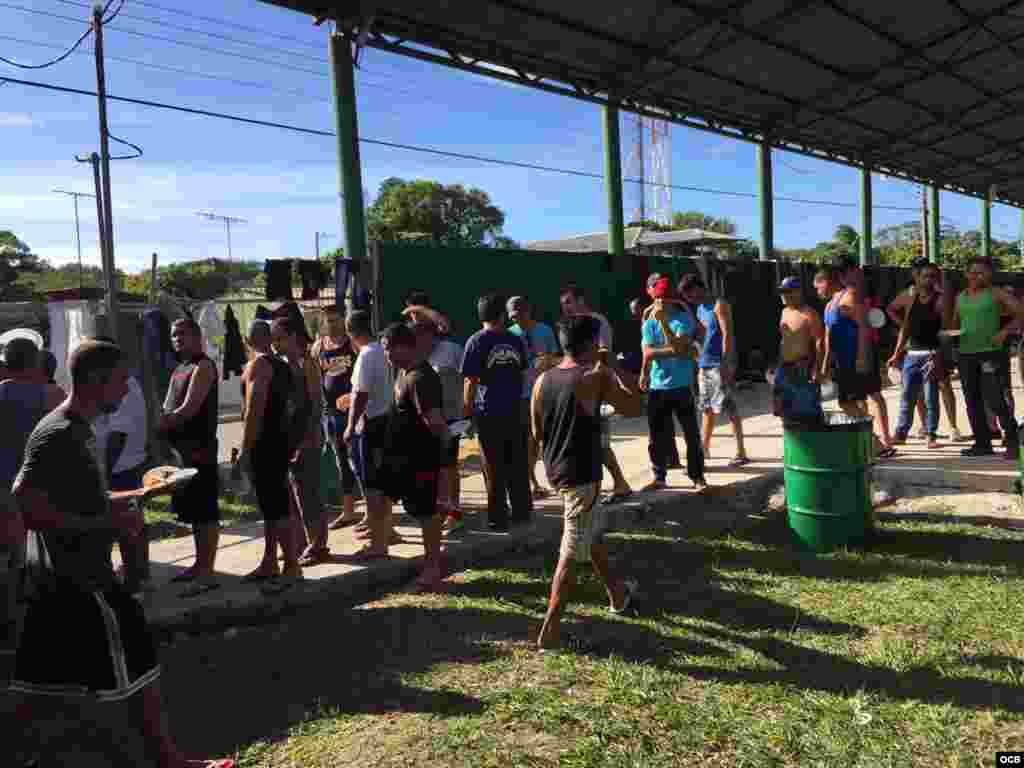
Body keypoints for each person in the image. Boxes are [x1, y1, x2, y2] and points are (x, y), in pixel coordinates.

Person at [8, 339, 232, 768]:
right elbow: (26, 502)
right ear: (94, 381)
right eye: (120, 381)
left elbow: (86, 498)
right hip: (78, 578)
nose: (127, 390)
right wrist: (104, 526)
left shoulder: (80, 430)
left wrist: (145, 492)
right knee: (136, 657)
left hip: (62, 578)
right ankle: (167, 761)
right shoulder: (58, 432)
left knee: (38, 684)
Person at [532, 315, 644, 650]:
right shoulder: (594, 377)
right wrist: (614, 370)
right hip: (582, 475)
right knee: (571, 550)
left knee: (589, 534)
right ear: (591, 344)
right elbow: (634, 406)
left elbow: (537, 431)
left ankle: (619, 596)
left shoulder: (543, 379)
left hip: (555, 470)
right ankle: (550, 629)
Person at [0, 339, 62, 654]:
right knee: (38, 556)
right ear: (35, 363)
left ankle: (11, 624)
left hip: (2, 487)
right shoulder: (51, 395)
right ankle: (35, 627)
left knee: (12, 557)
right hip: (38, 487)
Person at [378, 322, 450, 590]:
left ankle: (433, 570)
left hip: (423, 462)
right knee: (421, 513)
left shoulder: (420, 378)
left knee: (429, 516)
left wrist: (443, 473)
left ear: (403, 346)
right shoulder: (406, 374)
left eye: (387, 349)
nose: (386, 355)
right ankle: (428, 565)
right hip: (407, 462)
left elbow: (437, 424)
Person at [158, 317, 223, 595]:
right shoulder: (179, 369)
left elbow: (189, 409)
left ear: (197, 337)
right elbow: (168, 406)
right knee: (194, 512)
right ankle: (198, 564)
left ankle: (207, 571)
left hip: (201, 450)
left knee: (206, 511)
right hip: (182, 452)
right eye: (174, 336)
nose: (177, 340)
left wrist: (160, 424)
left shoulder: (204, 366)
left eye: (183, 335)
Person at [238, 320, 300, 593]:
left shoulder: (258, 365)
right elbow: (294, 407)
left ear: (247, 340)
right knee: (272, 506)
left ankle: (291, 566)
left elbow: (254, 408)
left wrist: (245, 448)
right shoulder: (284, 366)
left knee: (275, 506)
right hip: (280, 441)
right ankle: (270, 560)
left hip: (265, 444)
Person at [559, 284, 634, 504]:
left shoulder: (596, 322)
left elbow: (603, 353)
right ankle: (610, 485)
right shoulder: (573, 325)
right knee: (589, 440)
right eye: (563, 305)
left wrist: (593, 378)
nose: (566, 309)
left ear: (581, 300)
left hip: (597, 388)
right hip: (582, 387)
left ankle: (620, 484)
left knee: (599, 440)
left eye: (569, 303)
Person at [462, 293, 531, 531]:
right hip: (515, 409)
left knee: (493, 466)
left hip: (488, 412)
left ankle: (497, 517)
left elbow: (470, 382)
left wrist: (467, 412)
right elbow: (523, 373)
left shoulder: (475, 341)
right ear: (502, 315)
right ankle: (522, 511)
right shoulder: (515, 340)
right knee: (518, 462)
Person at [947, 257, 1024, 458]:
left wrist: (1005, 332)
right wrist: (949, 335)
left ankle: (1013, 442)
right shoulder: (960, 296)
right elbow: (955, 323)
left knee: (996, 398)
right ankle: (982, 443)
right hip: (966, 355)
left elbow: (1020, 312)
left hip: (991, 353)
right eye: (973, 272)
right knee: (972, 400)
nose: (976, 276)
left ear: (990, 275)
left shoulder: (996, 293)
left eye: (982, 272)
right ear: (967, 274)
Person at [92, 339, 152, 595]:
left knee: (127, 524)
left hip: (120, 465)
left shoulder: (123, 385)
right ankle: (136, 573)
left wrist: (101, 476)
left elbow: (119, 434)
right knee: (130, 521)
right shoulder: (118, 382)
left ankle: (135, 578)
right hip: (123, 463)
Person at [639, 274, 707, 492]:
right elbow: (647, 353)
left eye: (664, 297)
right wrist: (644, 372)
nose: (660, 302)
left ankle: (698, 477)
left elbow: (679, 346)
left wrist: (663, 326)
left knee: (691, 435)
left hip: (681, 385)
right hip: (658, 387)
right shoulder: (648, 322)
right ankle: (659, 477)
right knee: (656, 435)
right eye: (657, 297)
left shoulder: (682, 319)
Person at [824, 258, 896, 458]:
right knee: (852, 401)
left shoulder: (852, 295)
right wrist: (825, 364)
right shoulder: (834, 302)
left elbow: (864, 329)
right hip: (843, 360)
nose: (860, 275)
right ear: (843, 274)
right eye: (856, 271)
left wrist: (862, 358)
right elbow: (829, 336)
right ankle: (873, 443)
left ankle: (879, 444)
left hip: (857, 358)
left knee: (852, 401)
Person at [271, 317, 327, 570]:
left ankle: (318, 545)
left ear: (294, 337)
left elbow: (316, 404)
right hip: (288, 439)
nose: (275, 343)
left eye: (280, 337)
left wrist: (308, 437)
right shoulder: (281, 365)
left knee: (309, 493)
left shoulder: (308, 364)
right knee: (294, 494)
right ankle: (300, 543)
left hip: (308, 438)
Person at [887, 264, 964, 442]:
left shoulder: (940, 300)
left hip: (932, 354)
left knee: (933, 396)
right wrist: (896, 354)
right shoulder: (909, 298)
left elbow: (946, 330)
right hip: (912, 355)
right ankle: (901, 433)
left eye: (933, 276)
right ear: (917, 278)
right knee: (908, 396)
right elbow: (904, 328)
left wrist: (941, 357)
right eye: (925, 276)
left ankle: (934, 434)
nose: (929, 279)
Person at [343, 309, 397, 556]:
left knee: (373, 488)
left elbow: (361, 393)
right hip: (385, 420)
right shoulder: (381, 351)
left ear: (350, 332)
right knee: (382, 486)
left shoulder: (366, 355)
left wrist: (350, 425)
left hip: (372, 425)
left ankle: (378, 544)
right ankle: (386, 534)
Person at [409, 310, 466, 534]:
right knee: (434, 467)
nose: (419, 343)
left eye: (421, 337)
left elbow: (468, 378)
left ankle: (454, 512)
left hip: (450, 418)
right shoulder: (415, 356)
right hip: (424, 420)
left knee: (449, 465)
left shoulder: (451, 350)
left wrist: (467, 410)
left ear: (431, 335)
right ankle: (441, 509)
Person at [311, 306, 361, 530]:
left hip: (354, 414)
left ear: (344, 320)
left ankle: (373, 512)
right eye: (327, 321)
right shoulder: (318, 347)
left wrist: (355, 398)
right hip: (330, 414)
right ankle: (349, 511)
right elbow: (313, 378)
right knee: (342, 463)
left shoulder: (353, 344)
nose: (331, 325)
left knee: (359, 463)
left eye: (335, 320)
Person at [507, 295, 561, 500]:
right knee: (528, 442)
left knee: (547, 439)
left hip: (545, 393)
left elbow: (557, 359)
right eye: (513, 316)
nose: (516, 320)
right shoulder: (510, 334)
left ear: (528, 311)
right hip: (521, 396)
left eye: (519, 315)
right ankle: (532, 483)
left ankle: (554, 479)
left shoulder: (545, 331)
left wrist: (547, 360)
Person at [694, 273, 749, 467]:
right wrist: (698, 360)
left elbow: (727, 335)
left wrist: (726, 364)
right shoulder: (700, 308)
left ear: (700, 288)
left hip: (718, 364)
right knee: (711, 407)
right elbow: (702, 337)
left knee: (721, 408)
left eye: (692, 293)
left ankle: (736, 451)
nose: (691, 299)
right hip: (705, 364)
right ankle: (708, 449)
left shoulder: (719, 305)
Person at [771, 277, 825, 423]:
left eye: (787, 292)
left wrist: (817, 368)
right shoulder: (784, 312)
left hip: (802, 368)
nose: (784, 296)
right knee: (783, 408)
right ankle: (791, 439)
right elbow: (785, 341)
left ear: (798, 292)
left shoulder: (809, 314)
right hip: (784, 367)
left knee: (807, 411)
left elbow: (820, 341)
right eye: (782, 292)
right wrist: (777, 365)